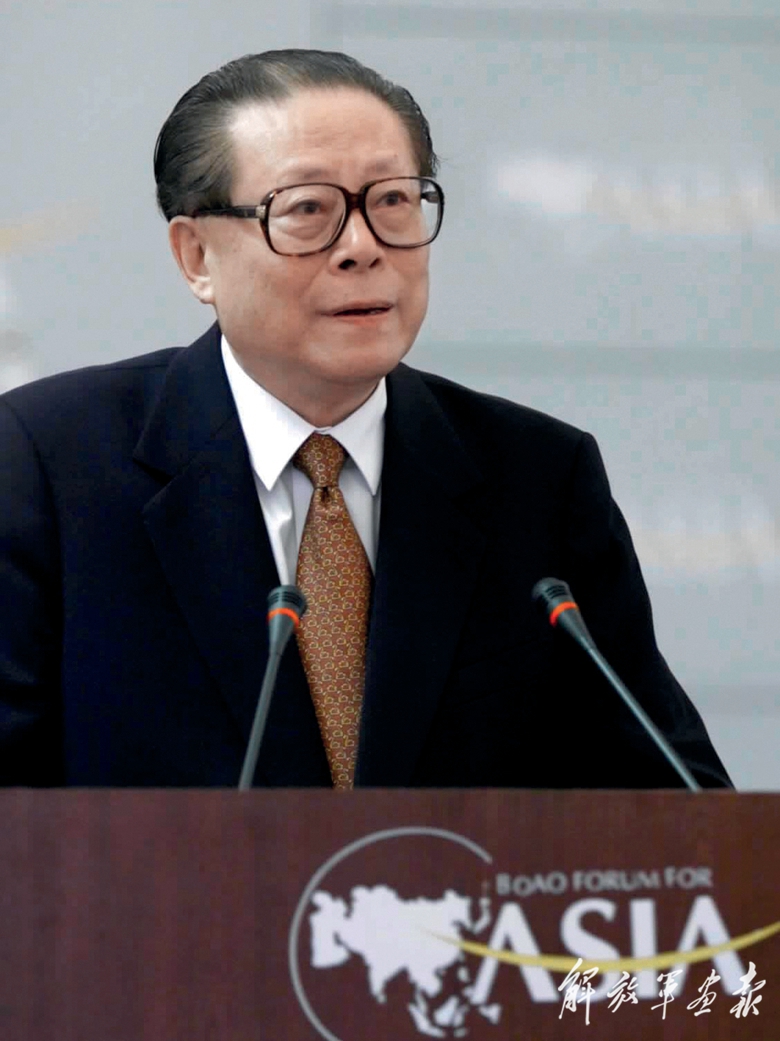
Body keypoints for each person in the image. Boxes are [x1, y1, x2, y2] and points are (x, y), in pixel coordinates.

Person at [0, 50, 730, 789]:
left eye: (393, 202)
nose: (362, 248)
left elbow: (678, 803)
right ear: (197, 257)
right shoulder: (47, 466)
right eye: (307, 210)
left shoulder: (537, 478)